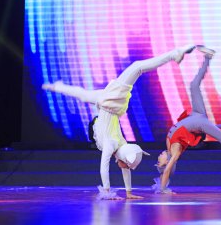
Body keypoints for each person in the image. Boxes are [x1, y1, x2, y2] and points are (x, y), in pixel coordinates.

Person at [42, 44, 197, 199]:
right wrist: (112, 192)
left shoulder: (115, 145)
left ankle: (57, 87)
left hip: (109, 104)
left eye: (128, 166)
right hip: (112, 103)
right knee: (137, 67)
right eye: (128, 165)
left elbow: (107, 167)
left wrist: (120, 192)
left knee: (84, 95)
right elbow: (113, 167)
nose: (127, 168)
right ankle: (174, 54)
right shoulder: (118, 144)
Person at [154, 52, 221, 194]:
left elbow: (164, 172)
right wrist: (163, 189)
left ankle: (207, 58)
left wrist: (219, 127)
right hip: (199, 121)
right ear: (166, 162)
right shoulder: (175, 151)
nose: (159, 156)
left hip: (197, 115)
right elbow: (167, 171)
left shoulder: (168, 146)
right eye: (159, 160)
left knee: (193, 85)